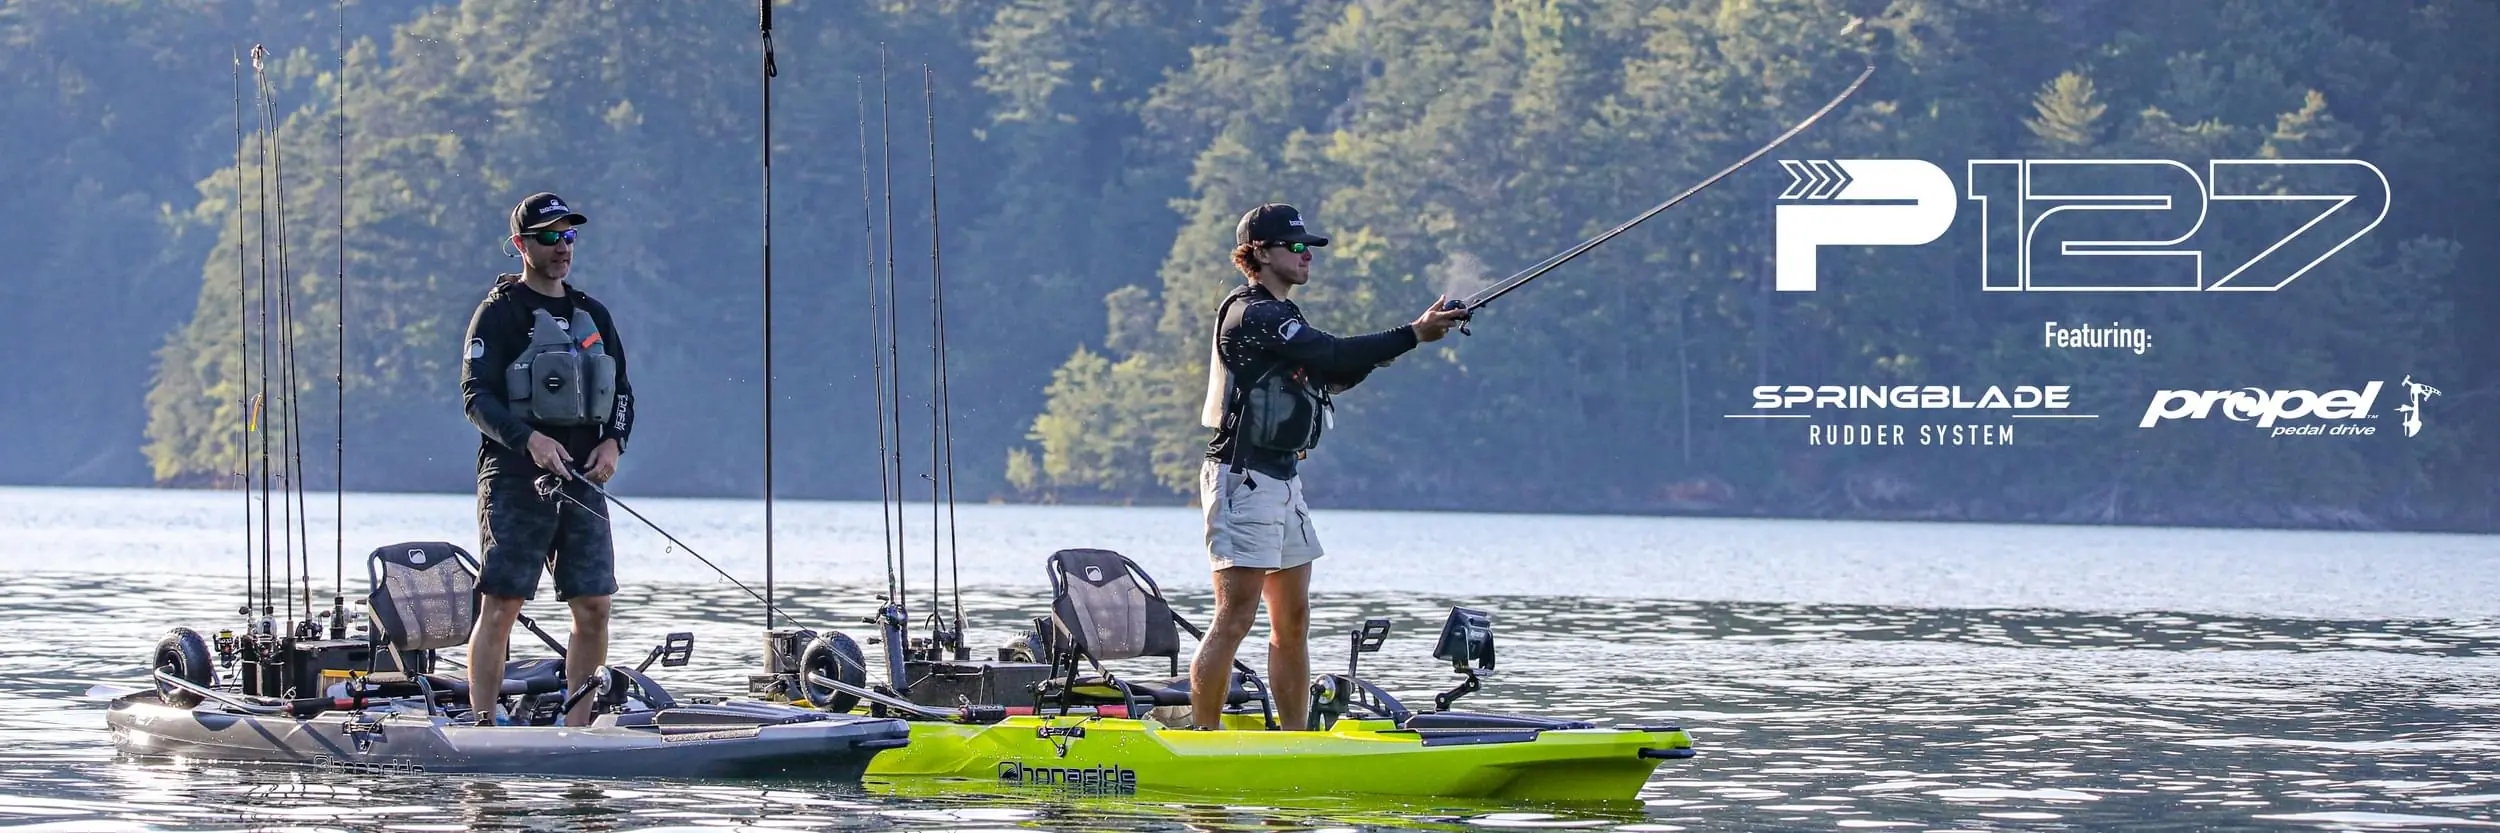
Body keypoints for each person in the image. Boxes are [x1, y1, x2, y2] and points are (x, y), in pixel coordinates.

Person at [1189, 203, 1467, 731]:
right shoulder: (1253, 314)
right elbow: (1335, 354)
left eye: (1309, 248)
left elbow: (1333, 375)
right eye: (1295, 247)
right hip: (1240, 477)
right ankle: (1204, 736)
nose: (1306, 256)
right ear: (1261, 254)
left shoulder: (1288, 317)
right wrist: (1413, 333)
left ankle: (1295, 738)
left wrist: (1411, 340)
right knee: (1235, 617)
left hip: (1284, 481)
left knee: (1292, 621)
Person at [458, 192, 635, 727]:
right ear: (521, 245)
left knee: (594, 606)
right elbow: (476, 397)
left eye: (569, 236)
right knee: (503, 603)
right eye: (549, 237)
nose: (562, 248)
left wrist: (613, 444)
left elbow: (622, 393)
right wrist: (529, 441)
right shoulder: (499, 314)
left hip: (583, 480)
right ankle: (485, 725)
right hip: (515, 478)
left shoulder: (592, 314)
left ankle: (578, 729)